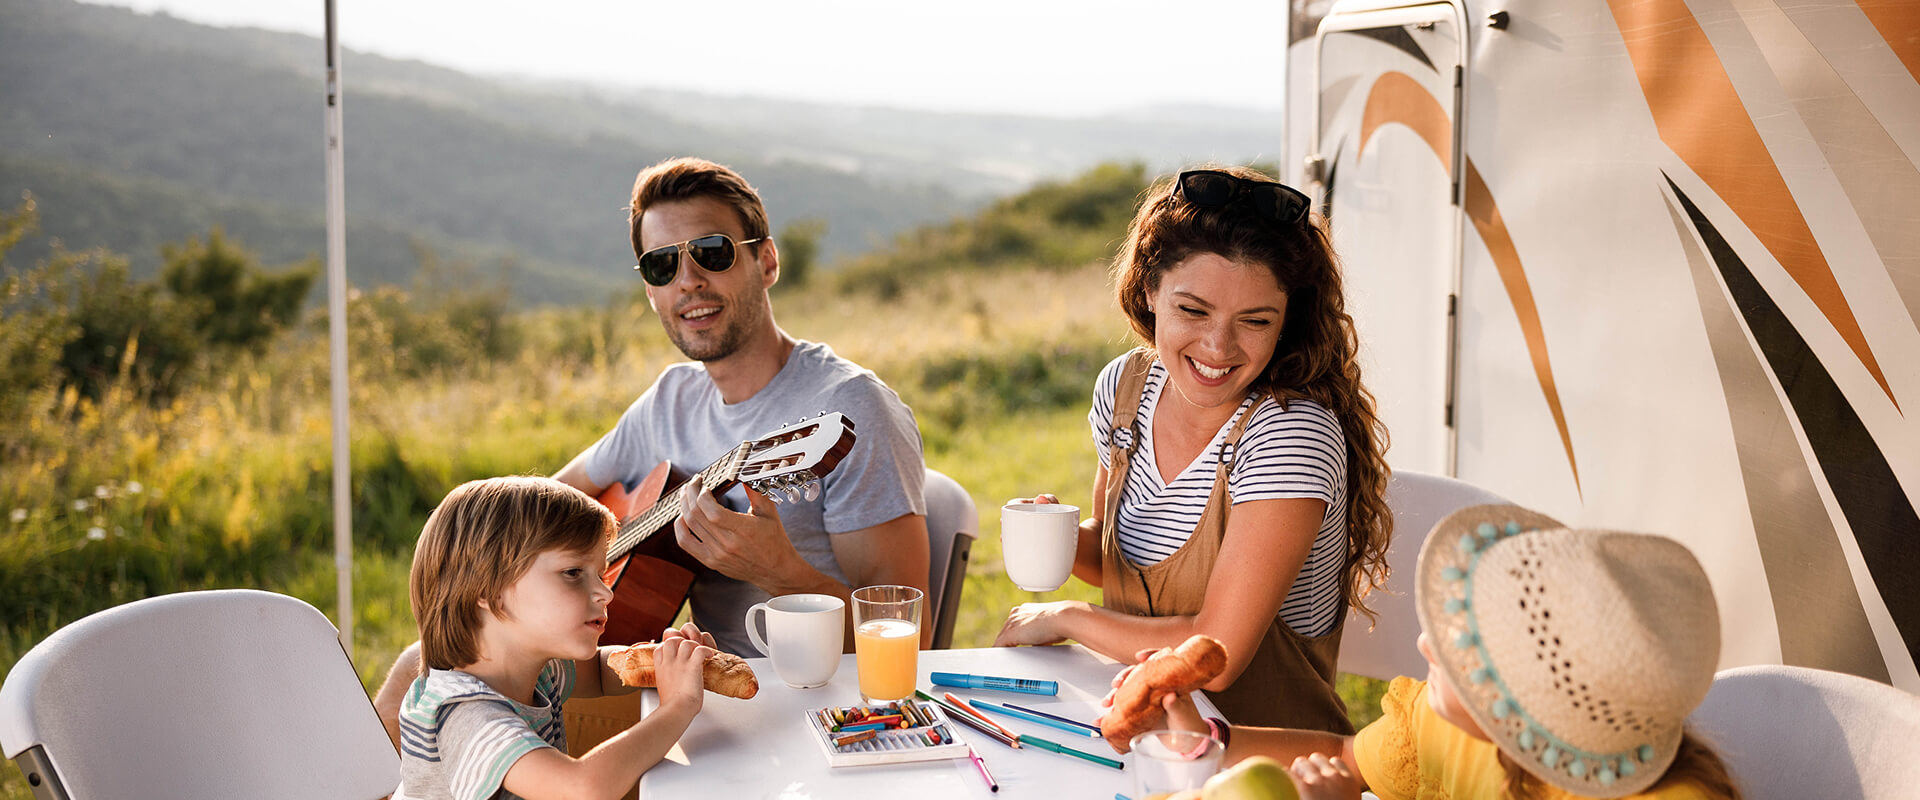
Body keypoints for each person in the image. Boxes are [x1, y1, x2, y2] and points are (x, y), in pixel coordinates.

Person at [376, 156, 930, 749]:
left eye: (712, 252)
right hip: (677, 685)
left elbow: (902, 639)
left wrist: (781, 573)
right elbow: (546, 506)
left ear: (766, 260)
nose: (688, 280)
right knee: (421, 661)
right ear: (650, 289)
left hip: (804, 704)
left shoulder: (850, 407)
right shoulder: (671, 398)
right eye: (663, 265)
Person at [992, 165, 1391, 732]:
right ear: (1150, 291)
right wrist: (1054, 534)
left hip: (1265, 765)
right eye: (1193, 310)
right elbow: (1120, 561)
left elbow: (1217, 653)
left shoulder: (1289, 433)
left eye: (1254, 320)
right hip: (1143, 735)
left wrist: (1066, 618)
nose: (1217, 346)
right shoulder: (1127, 389)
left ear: (1287, 321)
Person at [1132, 504, 1742, 800]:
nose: (1426, 642)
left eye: (1461, 648)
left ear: (1513, 707)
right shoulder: (1452, 726)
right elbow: (1344, 755)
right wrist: (1196, 731)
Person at [392, 476, 715, 800]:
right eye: (573, 573)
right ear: (488, 592)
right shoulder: (464, 715)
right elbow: (583, 790)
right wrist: (677, 706)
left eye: (601, 575)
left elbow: (605, 671)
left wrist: (672, 660)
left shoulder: (536, 670)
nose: (604, 592)